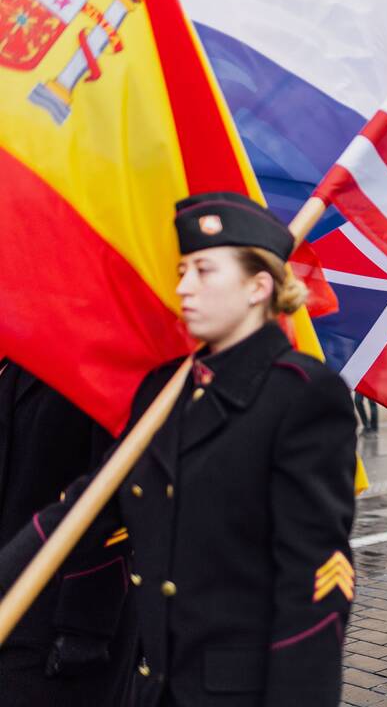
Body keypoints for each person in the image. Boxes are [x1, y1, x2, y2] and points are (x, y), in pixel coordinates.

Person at [0, 192, 358, 706]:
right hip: (155, 683)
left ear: (259, 286)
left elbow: (316, 580)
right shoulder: (166, 389)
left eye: (204, 271)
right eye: (182, 270)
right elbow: (89, 506)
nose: (183, 287)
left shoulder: (301, 393)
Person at [0, 362, 134, 705]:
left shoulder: (101, 360)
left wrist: (83, 632)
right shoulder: (14, 351)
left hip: (58, 623)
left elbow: (115, 504)